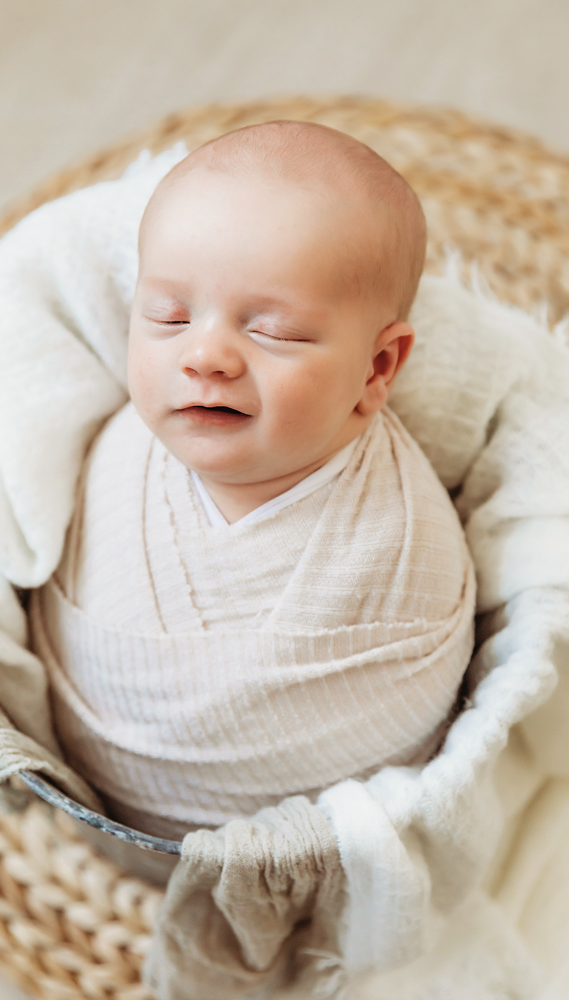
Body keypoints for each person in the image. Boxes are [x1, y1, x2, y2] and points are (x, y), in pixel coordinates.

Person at [30, 121, 475, 842]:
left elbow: (401, 725)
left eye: (271, 331)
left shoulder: (400, 554)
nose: (204, 354)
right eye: (168, 316)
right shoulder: (117, 447)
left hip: (289, 853)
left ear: (376, 368)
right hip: (94, 809)